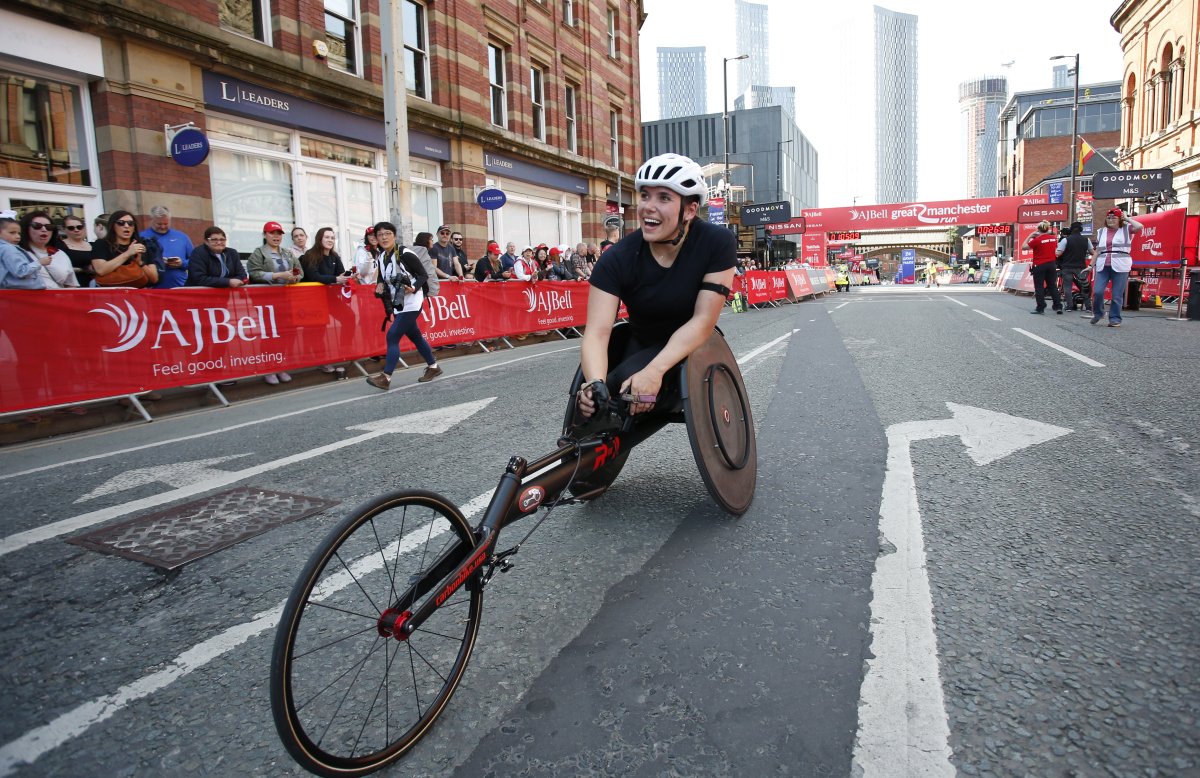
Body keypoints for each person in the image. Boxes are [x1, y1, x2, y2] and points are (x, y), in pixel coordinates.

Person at [575, 152, 735, 422]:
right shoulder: (617, 257)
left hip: (694, 343)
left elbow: (703, 321)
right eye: (645, 195)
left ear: (690, 210)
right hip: (642, 341)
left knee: (625, 386)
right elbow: (598, 333)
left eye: (664, 198)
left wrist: (654, 372)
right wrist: (595, 382)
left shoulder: (716, 242)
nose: (648, 206)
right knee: (603, 393)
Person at [366, 225, 443, 389]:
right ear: (377, 239)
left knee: (393, 336)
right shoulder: (382, 257)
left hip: (413, 301)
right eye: (380, 235)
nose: (384, 237)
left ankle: (386, 377)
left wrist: (413, 287)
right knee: (415, 336)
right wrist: (379, 286)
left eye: (388, 234)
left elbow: (423, 275)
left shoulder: (405, 253)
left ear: (394, 236)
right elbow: (381, 278)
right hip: (398, 302)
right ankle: (434, 367)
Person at [302, 227, 353, 377]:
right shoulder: (310, 255)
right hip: (313, 299)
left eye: (332, 237)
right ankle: (321, 361)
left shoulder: (334, 256)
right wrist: (335, 279)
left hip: (330, 297)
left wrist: (348, 276)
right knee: (319, 330)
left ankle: (345, 349)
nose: (330, 240)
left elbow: (340, 274)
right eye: (327, 237)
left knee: (349, 316)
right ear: (319, 239)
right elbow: (313, 276)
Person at [1090, 208, 1143, 327]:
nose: (1110, 220)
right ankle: (1099, 313)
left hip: (1120, 265)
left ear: (1120, 219)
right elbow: (1098, 250)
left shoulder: (1126, 229)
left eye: (1114, 217)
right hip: (1103, 265)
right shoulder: (1101, 231)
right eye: (1108, 217)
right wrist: (1090, 265)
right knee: (1097, 292)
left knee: (1117, 294)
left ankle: (1115, 318)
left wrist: (1127, 219)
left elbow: (1140, 226)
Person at [92, 211, 159, 288]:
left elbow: (154, 279)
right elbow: (101, 270)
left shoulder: (142, 244)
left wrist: (140, 263)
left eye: (130, 223)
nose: (126, 226)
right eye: (121, 223)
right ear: (113, 226)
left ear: (134, 228)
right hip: (111, 294)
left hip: (137, 293)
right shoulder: (101, 244)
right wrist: (128, 253)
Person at [19, 211, 78, 289]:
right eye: (37, 226)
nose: (44, 229)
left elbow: (71, 285)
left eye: (49, 227)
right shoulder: (17, 253)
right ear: (25, 229)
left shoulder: (59, 254)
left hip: (58, 300)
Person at [141, 205, 193, 288]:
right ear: (151, 220)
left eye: (166, 223)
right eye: (159, 224)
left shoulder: (182, 237)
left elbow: (195, 261)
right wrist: (158, 263)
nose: (162, 227)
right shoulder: (142, 237)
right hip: (152, 289)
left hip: (179, 287)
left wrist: (182, 263)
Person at [1022, 220, 1062, 314]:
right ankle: (1058, 306)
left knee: (1039, 287)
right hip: (1051, 264)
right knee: (1052, 286)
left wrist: (1030, 236)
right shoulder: (1053, 239)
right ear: (1047, 229)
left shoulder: (1037, 240)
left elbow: (1023, 247)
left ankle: (1040, 307)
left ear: (1038, 230)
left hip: (1039, 265)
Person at [248, 221, 302, 286]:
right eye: (272, 233)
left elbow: (299, 271)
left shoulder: (288, 252)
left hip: (288, 292)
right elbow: (254, 274)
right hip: (268, 293)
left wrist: (295, 278)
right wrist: (279, 275)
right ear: (264, 235)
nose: (276, 236)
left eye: (279, 233)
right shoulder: (258, 253)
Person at [0, 216, 47, 289]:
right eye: (12, 233)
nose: (18, 236)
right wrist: (39, 262)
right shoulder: (8, 249)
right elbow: (20, 271)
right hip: (18, 294)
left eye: (19, 233)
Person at [1056, 221, 1091, 312]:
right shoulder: (1086, 240)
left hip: (1067, 266)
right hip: (1081, 266)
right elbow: (1092, 252)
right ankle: (1088, 307)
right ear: (1081, 230)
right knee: (1084, 286)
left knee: (1067, 286)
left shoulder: (1065, 240)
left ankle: (1069, 306)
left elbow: (1058, 253)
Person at [59, 214, 95, 287]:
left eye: (79, 227)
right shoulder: (60, 246)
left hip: (95, 284)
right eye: (71, 228)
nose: (76, 230)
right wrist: (83, 270)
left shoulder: (93, 245)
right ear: (63, 229)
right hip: (73, 285)